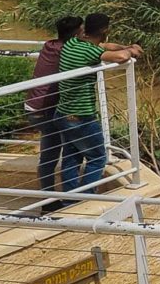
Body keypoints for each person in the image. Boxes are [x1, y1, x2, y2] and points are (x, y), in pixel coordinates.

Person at [55, 13, 141, 194]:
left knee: (72, 158)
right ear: (105, 31)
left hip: (62, 113)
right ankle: (85, 197)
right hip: (81, 117)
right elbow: (120, 57)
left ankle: (69, 200)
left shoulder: (72, 43)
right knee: (97, 158)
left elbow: (106, 47)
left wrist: (126, 46)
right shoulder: (90, 51)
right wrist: (130, 51)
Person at [25, 15, 82, 198]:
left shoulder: (50, 45)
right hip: (46, 111)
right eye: (82, 30)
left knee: (50, 155)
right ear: (76, 33)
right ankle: (67, 198)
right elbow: (97, 50)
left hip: (33, 107)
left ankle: (49, 197)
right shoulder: (67, 51)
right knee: (69, 151)